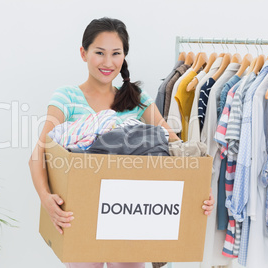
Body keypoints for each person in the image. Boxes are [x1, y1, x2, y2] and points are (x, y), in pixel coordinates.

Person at [29, 17, 215, 268]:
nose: (108, 62)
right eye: (99, 53)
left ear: (124, 56)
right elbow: (40, 153)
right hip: (81, 211)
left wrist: (198, 193)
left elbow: (176, 150)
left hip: (129, 212)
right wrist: (46, 198)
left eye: (116, 53)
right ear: (83, 54)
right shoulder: (67, 97)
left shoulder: (136, 98)